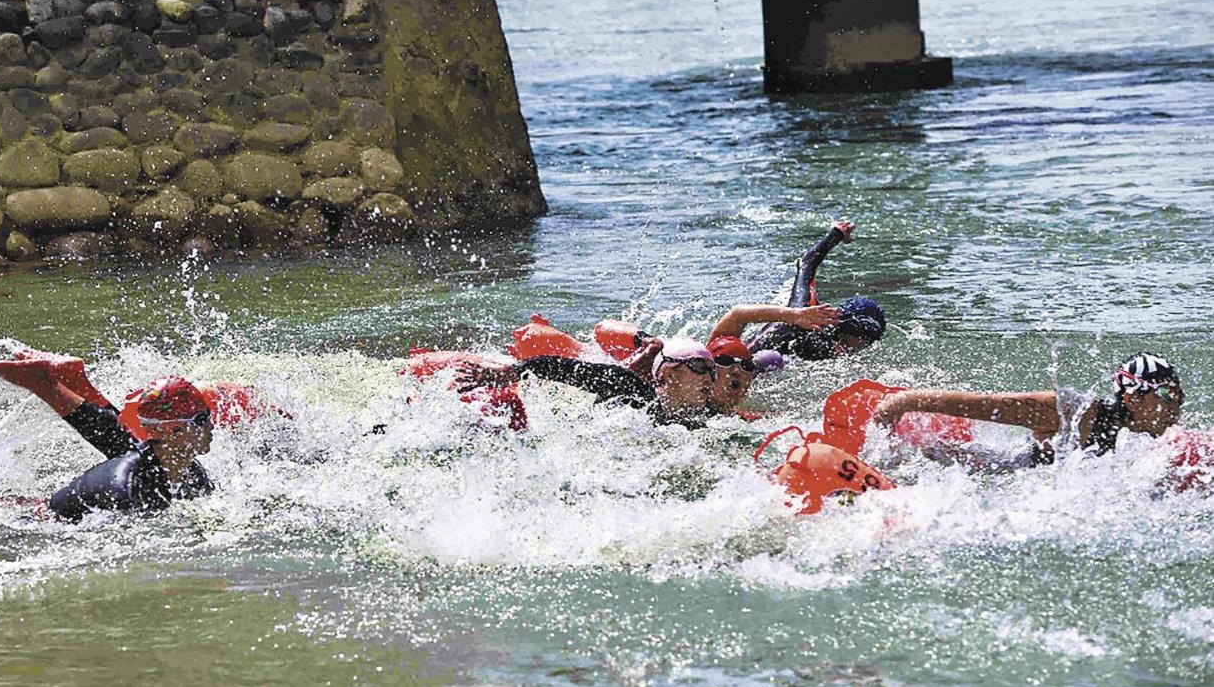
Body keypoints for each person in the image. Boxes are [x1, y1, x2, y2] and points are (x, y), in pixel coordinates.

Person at [0, 351, 215, 520]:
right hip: (31, 519)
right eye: (202, 419)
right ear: (171, 430)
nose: (212, 425)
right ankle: (48, 383)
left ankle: (64, 383)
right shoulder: (123, 488)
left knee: (132, 448)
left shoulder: (189, 470)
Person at [872, 353, 1184, 464]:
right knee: (928, 454)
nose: (1178, 404)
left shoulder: (1140, 441)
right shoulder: (1078, 413)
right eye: (1167, 393)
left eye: (1180, 394)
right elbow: (984, 406)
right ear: (1132, 397)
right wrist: (905, 402)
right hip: (984, 470)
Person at [709, 220, 886, 360]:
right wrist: (835, 234)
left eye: (869, 343)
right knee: (768, 359)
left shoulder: (828, 339)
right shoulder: (804, 315)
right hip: (737, 366)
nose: (863, 347)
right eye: (863, 340)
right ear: (848, 328)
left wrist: (837, 234)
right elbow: (806, 264)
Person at [455, 338, 716, 429]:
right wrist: (509, 372)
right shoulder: (627, 387)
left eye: (713, 372)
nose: (710, 378)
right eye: (701, 368)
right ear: (669, 374)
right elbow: (559, 367)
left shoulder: (694, 422)